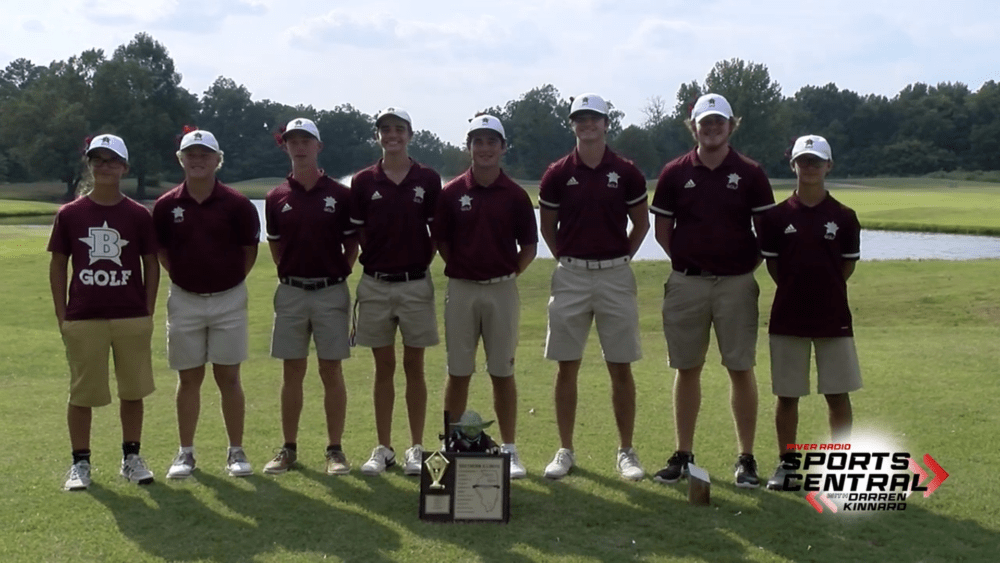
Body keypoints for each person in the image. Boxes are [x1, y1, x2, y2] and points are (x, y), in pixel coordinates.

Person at [649, 93, 775, 488]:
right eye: (706, 122)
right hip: (687, 282)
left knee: (740, 368)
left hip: (736, 284)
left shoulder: (751, 173)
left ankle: (746, 458)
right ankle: (683, 454)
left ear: (731, 125)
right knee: (687, 369)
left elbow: (765, 235)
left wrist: (739, 268)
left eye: (719, 122)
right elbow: (663, 231)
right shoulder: (674, 172)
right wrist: (689, 263)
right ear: (695, 127)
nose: (712, 128)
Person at [538, 93, 649, 481]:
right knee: (567, 365)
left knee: (620, 365)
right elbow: (547, 227)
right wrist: (567, 257)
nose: (588, 125)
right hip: (570, 275)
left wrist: (620, 258)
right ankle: (565, 449)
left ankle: (626, 451)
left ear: (606, 123)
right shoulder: (557, 173)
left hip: (615, 274)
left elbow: (642, 225)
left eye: (594, 119)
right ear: (573, 125)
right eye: (580, 119)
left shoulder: (627, 171)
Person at [49, 134, 159, 490]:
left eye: (112, 160)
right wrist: (62, 315)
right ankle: (80, 464)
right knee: (82, 394)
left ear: (124, 167)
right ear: (90, 165)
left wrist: (148, 309)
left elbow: (151, 264)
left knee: (133, 390)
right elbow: (58, 265)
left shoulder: (138, 215)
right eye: (98, 159)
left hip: (130, 315)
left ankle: (131, 458)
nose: (105, 166)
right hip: (84, 316)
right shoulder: (70, 214)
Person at [432, 115, 537, 479]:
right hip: (461, 289)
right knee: (458, 371)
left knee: (502, 372)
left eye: (492, 141)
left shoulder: (516, 195)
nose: (485, 148)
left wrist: (506, 273)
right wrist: (466, 268)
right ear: (469, 146)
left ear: (503, 147)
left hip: (502, 290)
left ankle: (509, 449)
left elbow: (529, 246)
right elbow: (442, 241)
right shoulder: (451, 193)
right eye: (478, 141)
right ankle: (450, 444)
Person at [153, 128, 261, 478]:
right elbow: (163, 252)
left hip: (229, 298)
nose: (198, 160)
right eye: (191, 154)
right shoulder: (167, 205)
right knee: (189, 379)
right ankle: (186, 453)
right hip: (184, 299)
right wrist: (190, 280)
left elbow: (248, 252)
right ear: (181, 159)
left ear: (217, 160)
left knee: (229, 377)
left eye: (205, 154)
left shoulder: (238, 204)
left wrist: (224, 282)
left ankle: (236, 450)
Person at [758, 135, 862, 490]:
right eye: (804, 160)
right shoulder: (775, 218)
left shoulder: (845, 218)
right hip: (788, 315)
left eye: (817, 161)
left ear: (829, 166)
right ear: (794, 165)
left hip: (834, 316)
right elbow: (775, 270)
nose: (810, 166)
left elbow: (845, 269)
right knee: (788, 395)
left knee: (837, 393)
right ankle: (788, 465)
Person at [261, 118, 359, 476]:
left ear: (318, 146)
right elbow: (275, 245)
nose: (299, 147)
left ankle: (335, 450)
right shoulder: (276, 197)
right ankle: (289, 448)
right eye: (292, 141)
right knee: (292, 371)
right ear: (285, 146)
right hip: (291, 292)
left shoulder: (340, 195)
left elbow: (352, 243)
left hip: (330, 290)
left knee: (331, 369)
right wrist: (291, 273)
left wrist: (339, 272)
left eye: (306, 141)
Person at [349, 107, 442, 476]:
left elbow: (435, 233)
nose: (393, 135)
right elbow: (360, 232)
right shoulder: (363, 181)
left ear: (410, 134)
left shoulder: (428, 179)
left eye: (399, 129)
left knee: (414, 366)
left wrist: (417, 260)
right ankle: (383, 447)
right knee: (383, 367)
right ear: (378, 136)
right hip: (375, 283)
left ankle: (415, 448)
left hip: (415, 283)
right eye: (385, 129)